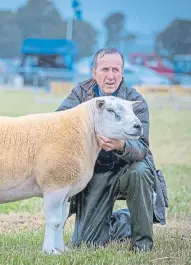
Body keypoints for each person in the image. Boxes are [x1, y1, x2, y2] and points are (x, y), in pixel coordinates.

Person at [56, 47, 168, 252]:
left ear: (123, 72)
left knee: (140, 171)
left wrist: (121, 145)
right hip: (94, 173)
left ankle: (142, 244)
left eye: (116, 70)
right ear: (93, 72)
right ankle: (121, 220)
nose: (110, 76)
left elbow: (142, 148)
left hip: (127, 169)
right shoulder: (80, 94)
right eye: (105, 69)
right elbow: (59, 126)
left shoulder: (135, 101)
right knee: (86, 244)